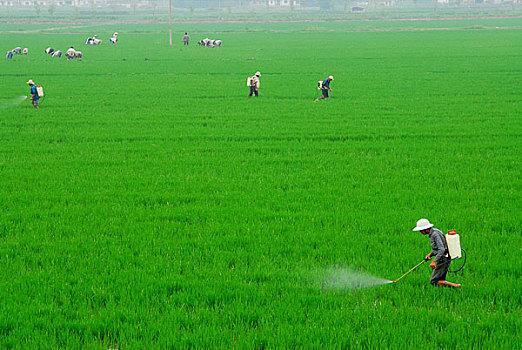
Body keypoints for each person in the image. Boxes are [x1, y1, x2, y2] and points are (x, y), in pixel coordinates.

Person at [413, 219, 461, 288]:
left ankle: (456, 286)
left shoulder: (435, 234)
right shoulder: (433, 233)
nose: (420, 232)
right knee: (440, 280)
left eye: (421, 230)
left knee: (434, 281)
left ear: (426, 229)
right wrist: (431, 254)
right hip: (443, 258)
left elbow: (442, 249)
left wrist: (434, 261)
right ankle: (445, 292)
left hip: (444, 259)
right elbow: (438, 249)